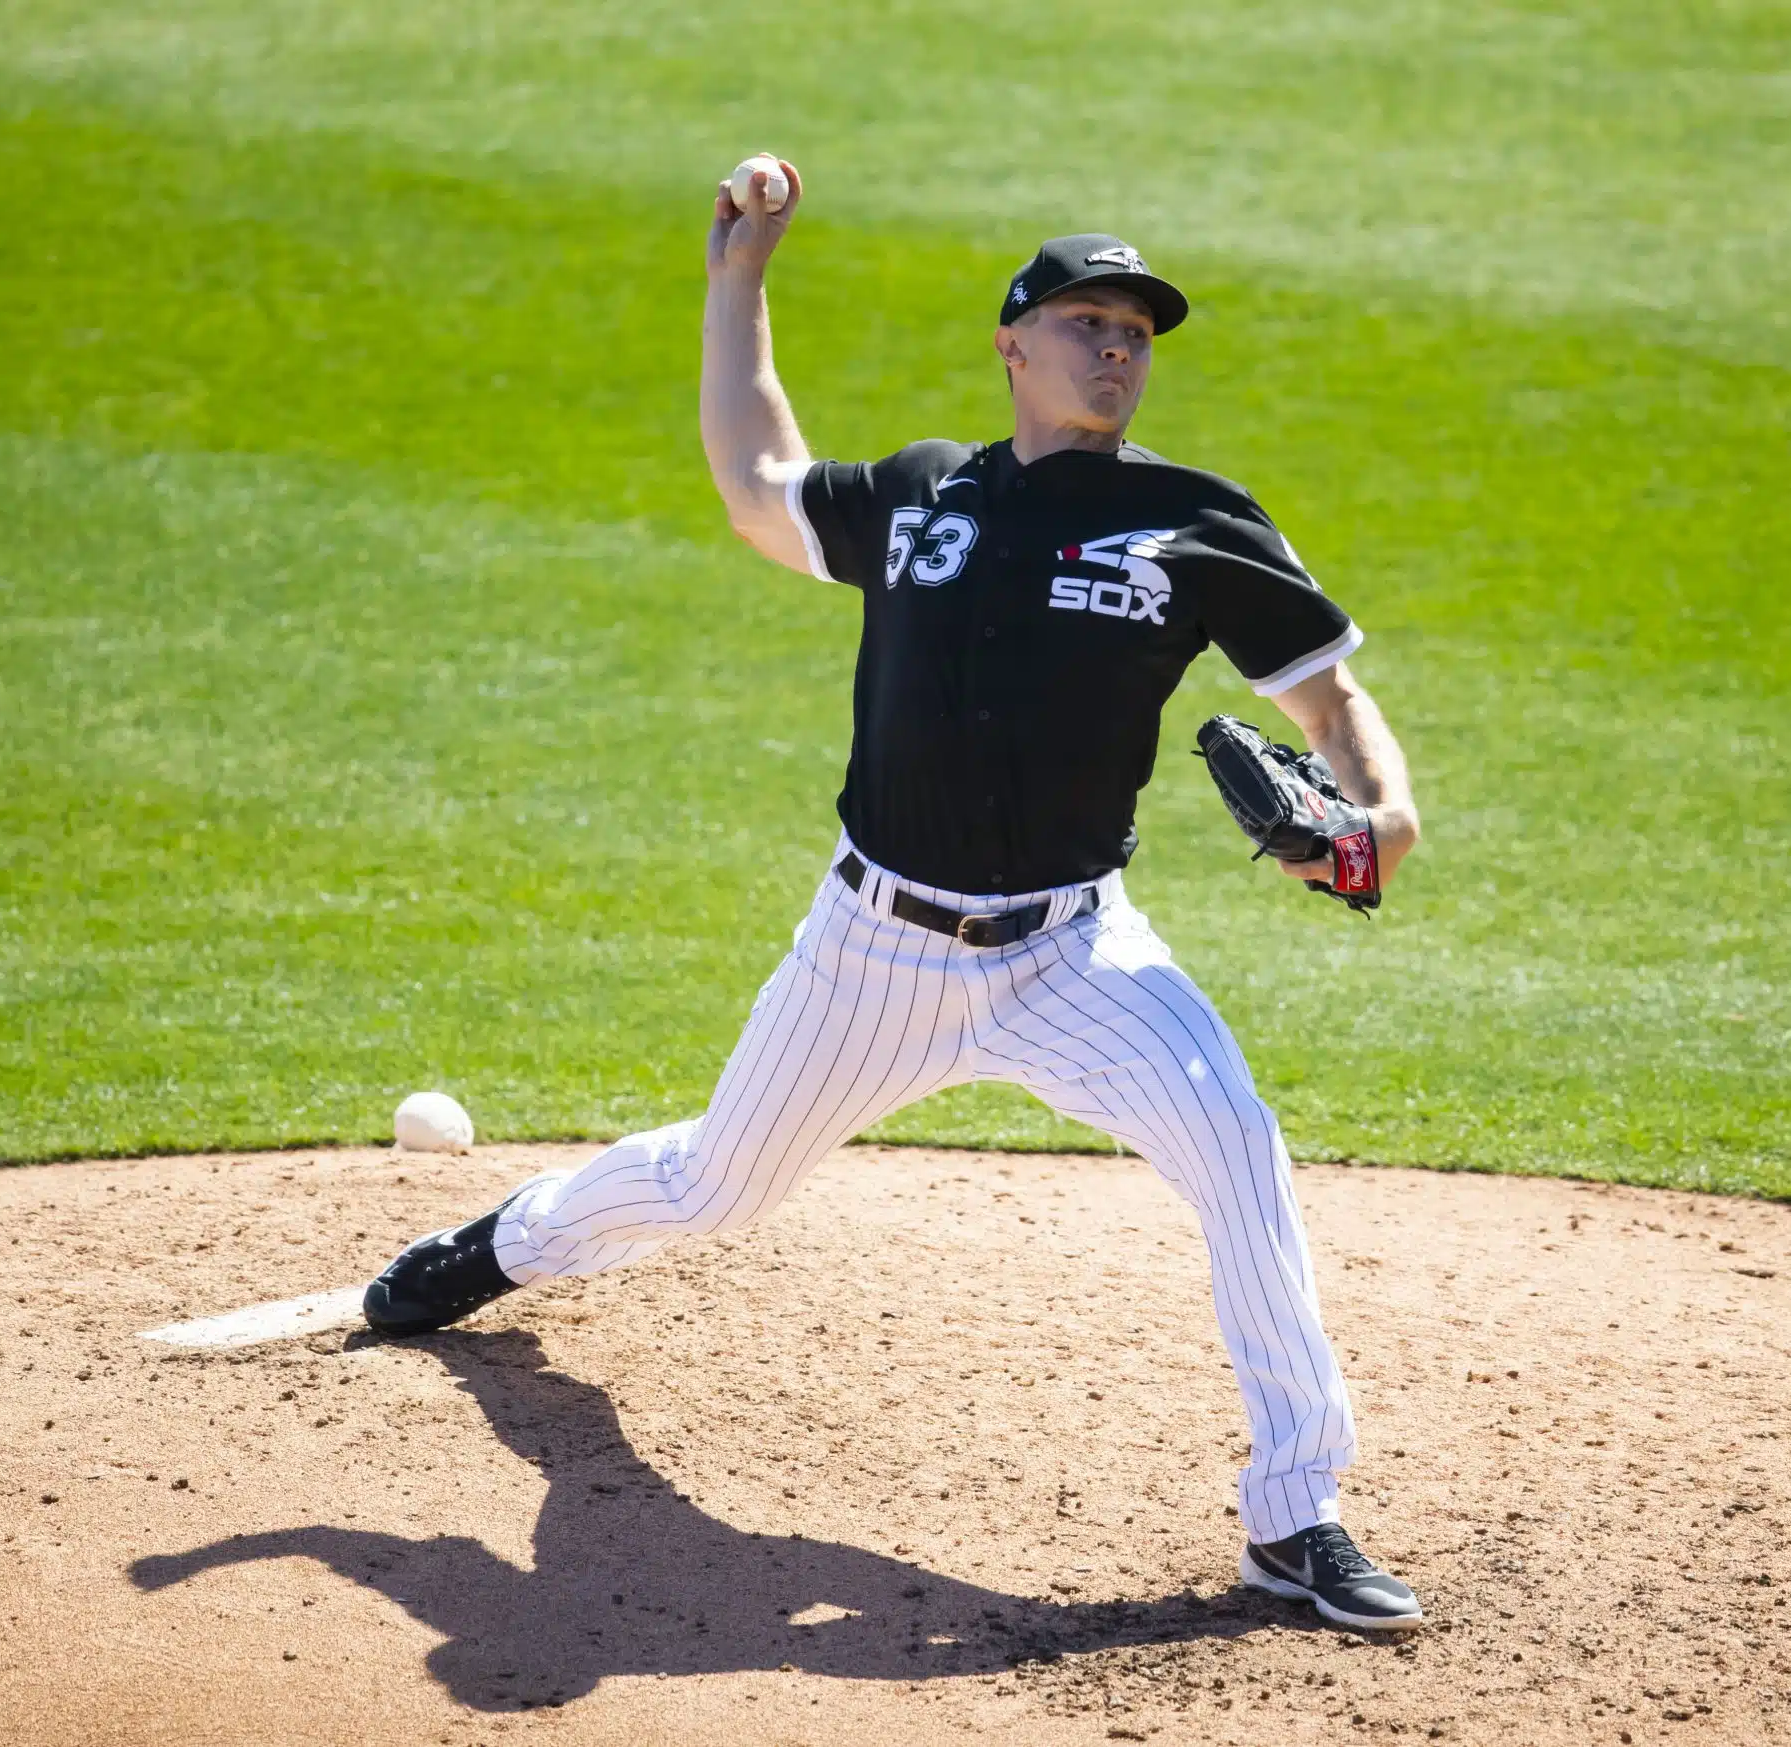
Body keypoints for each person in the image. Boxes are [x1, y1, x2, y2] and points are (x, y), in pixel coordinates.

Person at [363, 157, 1427, 1631]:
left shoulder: (1195, 522)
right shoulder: (926, 493)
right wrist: (740, 278)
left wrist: (1382, 812)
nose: (1117, 349)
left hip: (1075, 954)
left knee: (1239, 1151)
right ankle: (504, 1245)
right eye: (1087, 322)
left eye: (1136, 333)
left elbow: (1328, 696)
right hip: (871, 949)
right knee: (714, 1186)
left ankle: (1296, 1516)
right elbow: (758, 486)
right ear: (1013, 344)